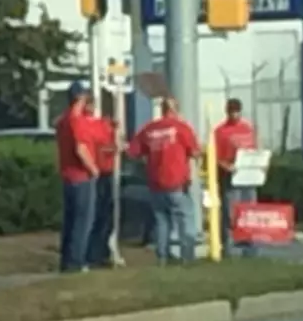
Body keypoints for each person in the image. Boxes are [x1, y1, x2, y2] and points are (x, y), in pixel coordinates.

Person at [127, 97, 200, 265]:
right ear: (175, 110)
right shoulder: (182, 128)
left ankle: (162, 257)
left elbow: (133, 152)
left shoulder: (149, 129)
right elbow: (195, 152)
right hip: (176, 182)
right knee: (185, 219)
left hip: (155, 182)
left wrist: (149, 160)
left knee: (161, 221)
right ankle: (187, 257)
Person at [55, 81, 99, 273]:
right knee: (83, 221)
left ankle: (66, 260)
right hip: (81, 176)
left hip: (67, 175)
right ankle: (76, 261)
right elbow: (80, 148)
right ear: (80, 98)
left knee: (70, 220)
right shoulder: (76, 121)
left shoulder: (62, 121)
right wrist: (93, 168)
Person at [214, 98, 259, 258]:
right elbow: (216, 156)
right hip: (230, 178)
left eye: (237, 111)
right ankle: (228, 248)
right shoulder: (220, 131)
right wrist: (226, 166)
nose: (235, 114)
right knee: (230, 213)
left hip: (248, 178)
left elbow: (254, 150)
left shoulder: (247, 129)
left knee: (249, 212)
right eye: (232, 111)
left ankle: (250, 248)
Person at [86, 108, 117, 268]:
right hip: (101, 174)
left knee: (106, 217)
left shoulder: (106, 127)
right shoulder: (99, 128)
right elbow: (104, 149)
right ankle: (96, 254)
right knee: (102, 216)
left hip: (106, 173)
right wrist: (116, 147)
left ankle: (101, 251)